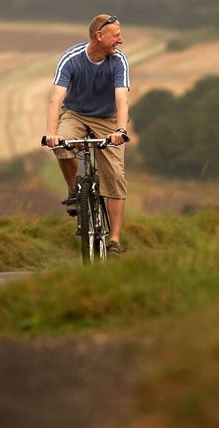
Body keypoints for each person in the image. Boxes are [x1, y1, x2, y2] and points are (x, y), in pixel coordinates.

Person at [44, 13, 130, 256]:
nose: (120, 41)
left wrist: (120, 131)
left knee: (114, 175)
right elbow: (56, 99)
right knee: (62, 146)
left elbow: (122, 98)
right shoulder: (71, 59)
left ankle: (113, 239)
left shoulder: (119, 61)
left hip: (108, 118)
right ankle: (74, 190)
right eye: (116, 36)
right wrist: (51, 134)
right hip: (76, 114)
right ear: (99, 36)